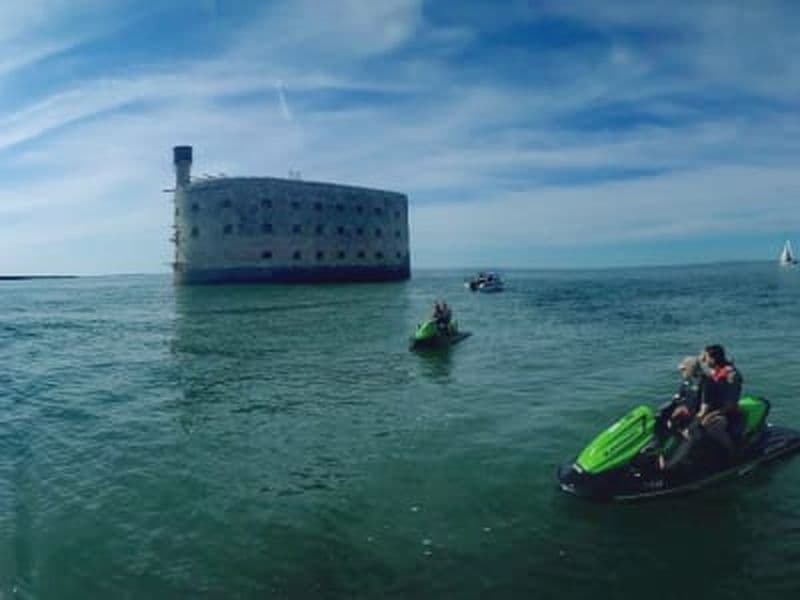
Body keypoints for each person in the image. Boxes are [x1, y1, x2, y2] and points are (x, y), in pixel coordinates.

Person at [696, 344, 743, 455]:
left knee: (713, 427)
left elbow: (730, 405)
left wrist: (709, 415)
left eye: (705, 357)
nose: (703, 359)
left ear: (713, 359)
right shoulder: (712, 369)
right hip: (712, 408)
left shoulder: (731, 376)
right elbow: (698, 364)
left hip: (727, 412)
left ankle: (733, 452)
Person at [657, 356, 703, 471]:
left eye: (683, 369)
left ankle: (670, 466)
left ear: (691, 369)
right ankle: (661, 452)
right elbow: (678, 397)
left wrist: (692, 425)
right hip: (687, 414)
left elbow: (704, 408)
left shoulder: (703, 383)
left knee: (690, 435)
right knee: (667, 424)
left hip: (699, 417)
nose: (681, 371)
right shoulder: (687, 381)